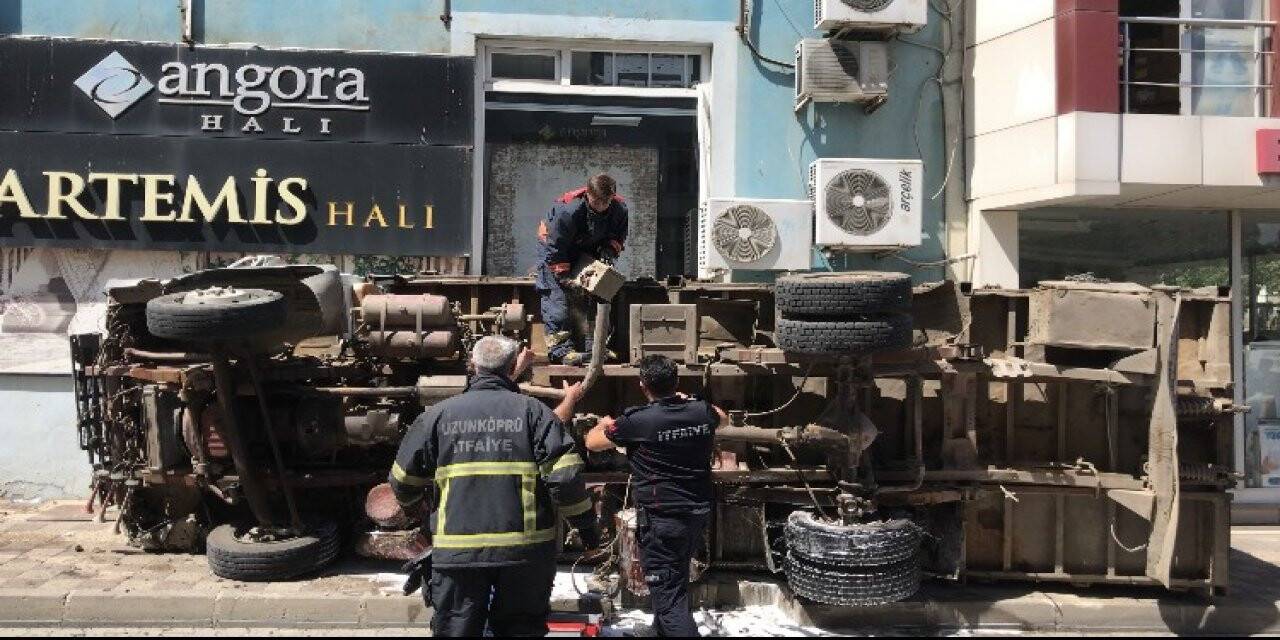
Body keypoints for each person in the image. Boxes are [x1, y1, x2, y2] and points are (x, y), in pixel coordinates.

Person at [389, 335, 601, 637]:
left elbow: (402, 480)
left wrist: (420, 514)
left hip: (457, 553)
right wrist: (588, 532)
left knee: (457, 630)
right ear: (514, 367)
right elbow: (565, 479)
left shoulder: (437, 416)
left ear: (472, 365)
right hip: (524, 554)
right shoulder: (535, 413)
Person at [584, 355, 727, 637]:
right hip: (695, 513)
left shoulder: (637, 421)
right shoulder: (700, 411)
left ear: (643, 385)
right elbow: (722, 418)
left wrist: (604, 424)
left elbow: (592, 442)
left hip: (662, 520)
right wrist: (687, 400)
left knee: (668, 596)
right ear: (676, 381)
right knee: (675, 579)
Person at [535, 173, 628, 365]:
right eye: (597, 202)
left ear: (612, 198)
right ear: (588, 195)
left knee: (598, 294)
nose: (601, 206)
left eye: (606, 202)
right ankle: (560, 351)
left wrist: (609, 251)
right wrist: (564, 276)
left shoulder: (619, 209)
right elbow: (555, 246)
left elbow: (618, 236)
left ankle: (595, 347)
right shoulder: (567, 211)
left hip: (587, 249)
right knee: (557, 300)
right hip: (556, 250)